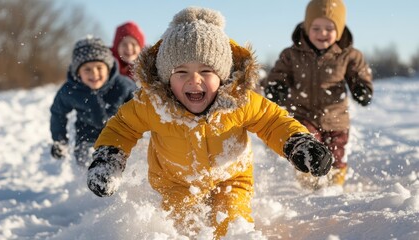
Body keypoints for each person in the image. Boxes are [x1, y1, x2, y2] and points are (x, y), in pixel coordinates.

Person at [86, 7, 333, 239]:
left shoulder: (240, 101)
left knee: (231, 225)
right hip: (175, 181)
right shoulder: (152, 104)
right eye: (180, 72)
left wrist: (298, 143)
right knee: (181, 228)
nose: (194, 81)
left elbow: (272, 121)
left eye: (206, 71)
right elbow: (123, 127)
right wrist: (109, 159)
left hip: (231, 179)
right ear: (165, 78)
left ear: (223, 75)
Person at [262, 0, 373, 189]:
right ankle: (308, 184)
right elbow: (278, 74)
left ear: (339, 30)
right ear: (306, 27)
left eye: (329, 28)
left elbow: (359, 75)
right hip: (303, 113)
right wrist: (276, 87)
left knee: (337, 153)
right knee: (308, 148)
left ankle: (334, 185)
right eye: (316, 28)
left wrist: (361, 88)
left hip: (336, 117)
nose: (322, 34)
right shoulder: (292, 54)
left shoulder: (349, 55)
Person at [50, 36, 137, 167]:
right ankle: (84, 183)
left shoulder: (122, 86)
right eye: (87, 69)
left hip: (118, 136)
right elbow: (58, 112)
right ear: (78, 72)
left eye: (99, 68)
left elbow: (140, 108)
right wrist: (60, 140)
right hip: (86, 137)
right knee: (87, 166)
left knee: (114, 166)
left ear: (108, 68)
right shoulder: (72, 89)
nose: (94, 74)